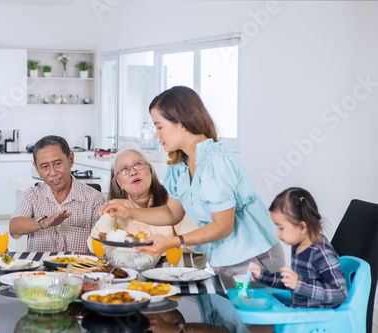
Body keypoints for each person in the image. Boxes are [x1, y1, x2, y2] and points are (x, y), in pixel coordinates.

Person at [101, 86, 284, 289]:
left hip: (255, 258)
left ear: (181, 124)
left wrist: (173, 241)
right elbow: (172, 213)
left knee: (251, 320)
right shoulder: (179, 164)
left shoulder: (216, 161)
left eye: (159, 126)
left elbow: (223, 226)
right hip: (221, 260)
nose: (156, 134)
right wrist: (129, 212)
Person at [248, 187, 348, 308]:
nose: (277, 233)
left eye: (281, 228)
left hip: (317, 318)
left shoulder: (321, 252)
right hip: (300, 311)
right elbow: (290, 283)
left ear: (302, 227)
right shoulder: (298, 245)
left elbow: (340, 293)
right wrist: (262, 275)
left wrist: (299, 283)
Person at [87, 148, 199, 253]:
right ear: (119, 183)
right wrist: (110, 210)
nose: (133, 172)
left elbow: (195, 244)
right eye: (124, 169)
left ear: (150, 169)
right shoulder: (114, 208)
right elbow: (94, 247)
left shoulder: (172, 202)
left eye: (137, 164)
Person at [9, 135, 105, 254]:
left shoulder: (94, 198)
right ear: (36, 168)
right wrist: (43, 223)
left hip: (78, 269)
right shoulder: (32, 195)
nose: (53, 173)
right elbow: (14, 228)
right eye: (45, 167)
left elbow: (101, 246)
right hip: (39, 271)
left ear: (71, 159)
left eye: (58, 163)